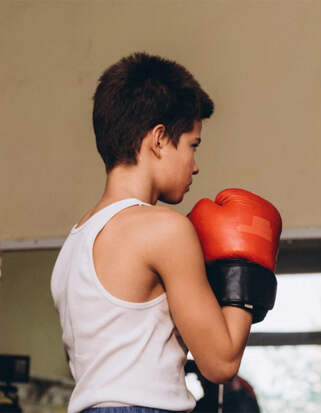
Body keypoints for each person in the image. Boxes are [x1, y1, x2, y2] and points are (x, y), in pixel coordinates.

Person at [50, 52, 281, 413]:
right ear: (159, 139)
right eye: (192, 145)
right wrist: (244, 272)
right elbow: (220, 363)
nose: (195, 165)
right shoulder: (164, 229)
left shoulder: (77, 238)